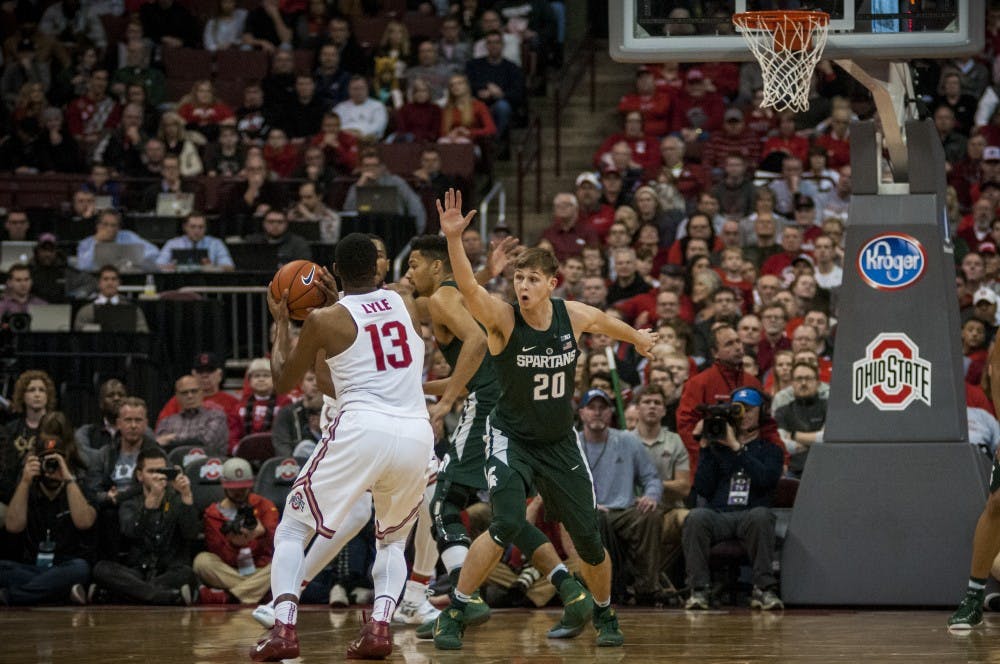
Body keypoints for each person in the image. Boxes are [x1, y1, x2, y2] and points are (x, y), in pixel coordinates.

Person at [432, 190, 657, 650]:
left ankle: (603, 612)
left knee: (589, 541)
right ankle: (455, 610)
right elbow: (470, 290)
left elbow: (602, 320)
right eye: (519, 278)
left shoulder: (568, 315)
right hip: (511, 437)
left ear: (552, 283)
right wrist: (454, 240)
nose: (523, 286)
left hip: (559, 442)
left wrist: (638, 340)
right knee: (507, 522)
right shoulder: (503, 320)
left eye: (533, 278)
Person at [251, 233, 434, 661]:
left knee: (293, 527)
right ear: (379, 265)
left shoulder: (324, 321)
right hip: (416, 433)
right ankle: (380, 628)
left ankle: (283, 629)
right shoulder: (405, 299)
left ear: (334, 270)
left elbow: (283, 382)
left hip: (362, 427)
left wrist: (282, 322)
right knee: (392, 539)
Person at [405, 234, 510, 632]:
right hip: (506, 401)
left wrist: (446, 403)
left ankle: (465, 599)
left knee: (441, 500)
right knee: (511, 513)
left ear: (436, 266)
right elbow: (467, 374)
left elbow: (477, 344)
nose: (408, 273)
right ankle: (569, 589)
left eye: (414, 264)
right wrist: (423, 390)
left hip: (487, 404)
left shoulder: (440, 300)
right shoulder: (462, 294)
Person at [682, 386, 784, 610]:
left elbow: (766, 480)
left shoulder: (770, 450)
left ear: (761, 412)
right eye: (739, 409)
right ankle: (699, 590)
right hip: (721, 516)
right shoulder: (718, 448)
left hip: (751, 515)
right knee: (696, 517)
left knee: (761, 516)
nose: (745, 415)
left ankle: (763, 589)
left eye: (750, 409)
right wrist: (707, 449)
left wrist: (737, 449)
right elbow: (703, 488)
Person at [577, 389, 665, 605]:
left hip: (624, 512)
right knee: (598, 519)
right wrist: (591, 505)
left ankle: (646, 589)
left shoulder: (628, 440)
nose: (597, 413)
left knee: (650, 516)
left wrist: (651, 496)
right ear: (581, 413)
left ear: (611, 413)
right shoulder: (572, 444)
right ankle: (608, 589)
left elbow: (652, 477)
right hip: (586, 512)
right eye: (592, 408)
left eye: (603, 408)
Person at [0, 412, 96, 606]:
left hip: (67, 564)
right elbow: (13, 526)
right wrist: (26, 481)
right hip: (32, 566)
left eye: (56, 459)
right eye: (46, 459)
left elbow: (85, 522)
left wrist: (68, 478)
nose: (50, 466)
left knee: (81, 569)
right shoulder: (28, 482)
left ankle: (14, 596)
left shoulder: (79, 480)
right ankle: (62, 592)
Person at [89, 448, 197, 605]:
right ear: (140, 475)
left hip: (167, 571)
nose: (157, 476)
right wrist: (150, 502)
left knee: (187, 573)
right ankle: (166, 597)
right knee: (101, 569)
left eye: (161, 471)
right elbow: (131, 531)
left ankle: (118, 595)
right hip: (137, 571)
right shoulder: (130, 501)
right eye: (151, 471)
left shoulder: (176, 498)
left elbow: (191, 533)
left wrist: (187, 496)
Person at [194, 458, 279, 606]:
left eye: (243, 488)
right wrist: (234, 544)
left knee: (284, 563)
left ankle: (230, 596)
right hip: (231, 570)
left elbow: (277, 546)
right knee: (201, 561)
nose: (238, 493)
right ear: (223, 484)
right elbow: (218, 552)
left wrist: (263, 534)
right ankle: (260, 593)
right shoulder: (212, 514)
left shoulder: (265, 506)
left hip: (260, 568)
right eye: (234, 489)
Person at [630, 384, 690, 588]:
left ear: (664, 410)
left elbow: (684, 487)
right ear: (637, 408)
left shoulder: (674, 441)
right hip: (632, 512)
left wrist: (654, 485)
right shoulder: (623, 441)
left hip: (669, 511)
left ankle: (692, 584)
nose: (652, 407)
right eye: (646, 402)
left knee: (691, 519)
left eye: (657, 403)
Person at [342, 150, 427, 234]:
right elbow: (347, 213)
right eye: (367, 166)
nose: (371, 169)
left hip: (394, 232)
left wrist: (417, 233)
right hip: (365, 233)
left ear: (382, 167)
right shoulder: (357, 186)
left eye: (374, 166)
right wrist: (360, 188)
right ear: (361, 168)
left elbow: (416, 207)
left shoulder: (396, 183)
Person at [774, 361, 827, 478]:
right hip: (793, 470)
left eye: (808, 378)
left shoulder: (829, 407)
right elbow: (781, 443)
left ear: (818, 382)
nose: (803, 383)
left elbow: (826, 438)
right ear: (792, 383)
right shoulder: (782, 411)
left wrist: (793, 435)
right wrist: (813, 440)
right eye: (799, 379)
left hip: (825, 466)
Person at [155, 375, 230, 457]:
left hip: (208, 466)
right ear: (177, 396)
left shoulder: (216, 416)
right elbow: (158, 446)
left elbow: (204, 443)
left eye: (194, 391)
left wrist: (171, 439)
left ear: (202, 393)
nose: (190, 396)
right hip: (174, 466)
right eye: (184, 393)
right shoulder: (167, 421)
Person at [75, 209, 159, 273]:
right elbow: (83, 267)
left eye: (113, 225)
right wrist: (98, 242)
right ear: (98, 226)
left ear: (119, 228)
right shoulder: (85, 243)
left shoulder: (128, 236)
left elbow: (154, 252)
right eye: (105, 224)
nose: (109, 229)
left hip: (126, 277)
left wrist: (133, 260)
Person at [72, 265, 150, 333]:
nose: (110, 283)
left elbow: (143, 333)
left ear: (119, 283)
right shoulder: (86, 311)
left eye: (114, 279)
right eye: (105, 279)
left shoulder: (134, 310)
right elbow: (79, 336)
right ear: (99, 283)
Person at [156, 212, 235, 272]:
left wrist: (214, 268)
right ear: (185, 227)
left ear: (206, 228)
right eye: (193, 227)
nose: (197, 231)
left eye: (201, 227)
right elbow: (157, 265)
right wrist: (170, 267)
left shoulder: (216, 243)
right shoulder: (172, 243)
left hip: (207, 284)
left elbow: (230, 267)